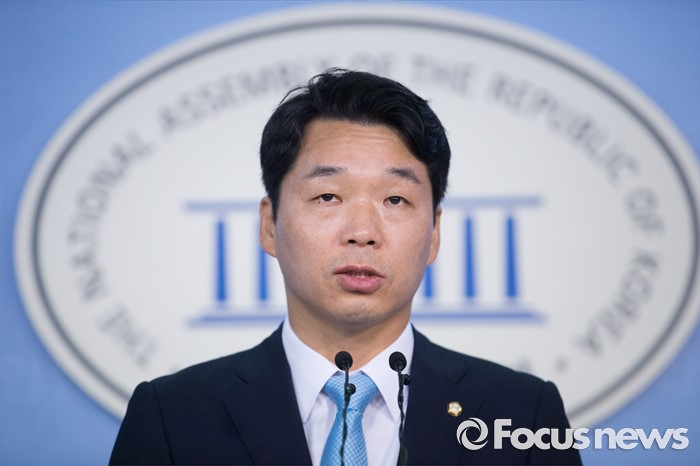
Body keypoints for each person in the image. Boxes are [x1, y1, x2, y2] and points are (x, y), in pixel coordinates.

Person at [110, 69, 582, 465]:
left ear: (434, 233)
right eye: (327, 196)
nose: (363, 231)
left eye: (395, 199)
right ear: (270, 225)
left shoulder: (521, 414)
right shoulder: (172, 417)